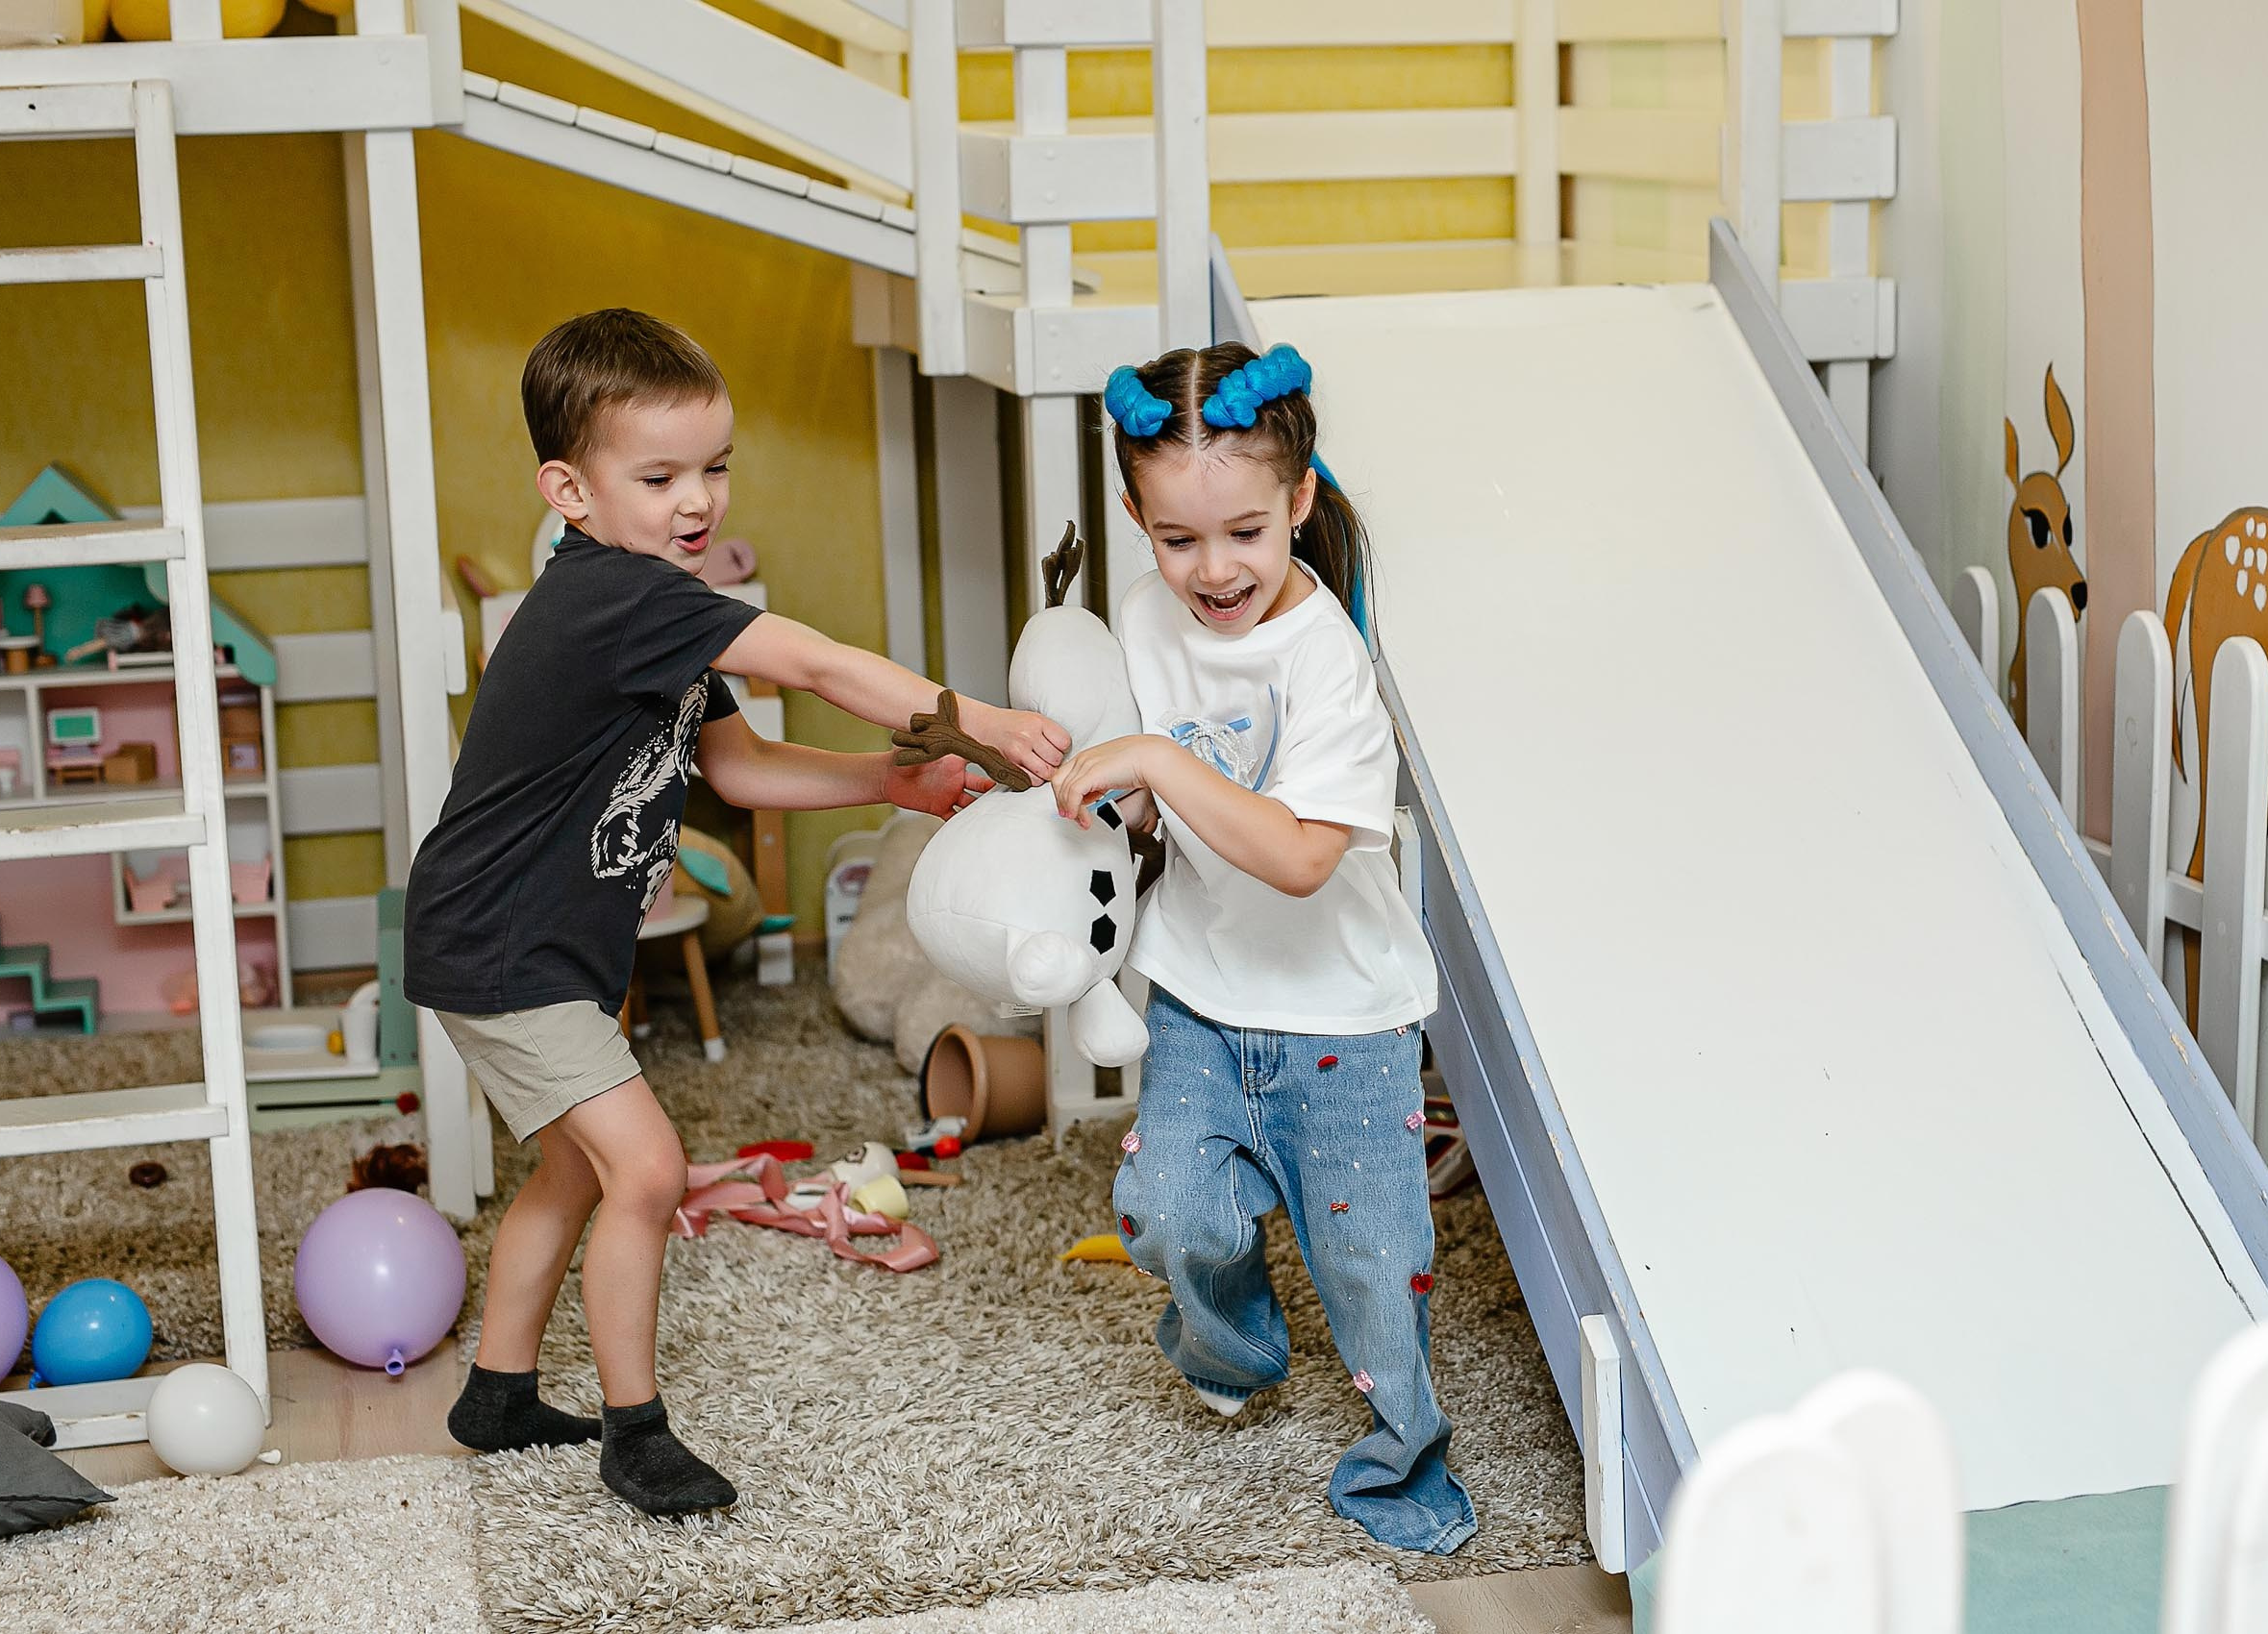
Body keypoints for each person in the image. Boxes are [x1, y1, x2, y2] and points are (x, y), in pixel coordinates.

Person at [405, 309, 1064, 1517]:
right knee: (645, 1168)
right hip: (501, 947)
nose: (696, 499)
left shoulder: (656, 600)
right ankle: (635, 1431)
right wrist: (975, 720)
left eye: (713, 467)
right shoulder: (613, 598)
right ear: (571, 491)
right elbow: (812, 662)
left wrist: (890, 778)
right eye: (657, 476)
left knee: (571, 1166)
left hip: (537, 942)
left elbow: (741, 765)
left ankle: (495, 1393)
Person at [1049, 341, 1472, 1554]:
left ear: (1297, 499)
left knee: (1374, 1265)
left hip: (1344, 1022)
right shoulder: (1139, 613)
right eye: (1180, 540)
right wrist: (1099, 792)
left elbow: (1295, 854)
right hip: (1200, 992)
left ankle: (1400, 1469)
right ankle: (1234, 1344)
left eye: (1244, 531)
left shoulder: (1328, 662)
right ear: (1137, 517)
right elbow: (1149, 797)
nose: (1214, 570)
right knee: (1168, 1211)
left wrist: (1157, 763)